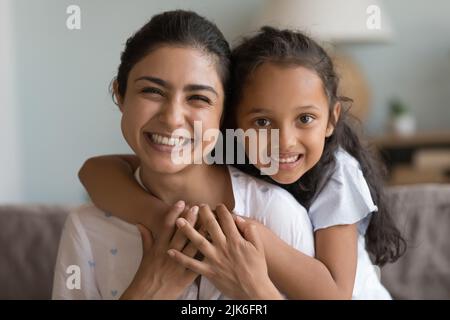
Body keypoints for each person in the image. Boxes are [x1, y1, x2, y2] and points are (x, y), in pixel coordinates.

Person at [79, 26, 406, 299]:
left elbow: (333, 295)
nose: (285, 141)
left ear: (332, 119)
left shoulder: (337, 171)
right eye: (263, 122)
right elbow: (94, 171)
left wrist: (254, 237)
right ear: (231, 120)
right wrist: (162, 217)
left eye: (305, 119)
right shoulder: (231, 149)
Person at [52, 10, 314, 300]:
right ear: (120, 95)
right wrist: (146, 292)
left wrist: (255, 292)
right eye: (152, 91)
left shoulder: (275, 214)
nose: (173, 118)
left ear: (224, 112)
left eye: (198, 98)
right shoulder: (87, 228)